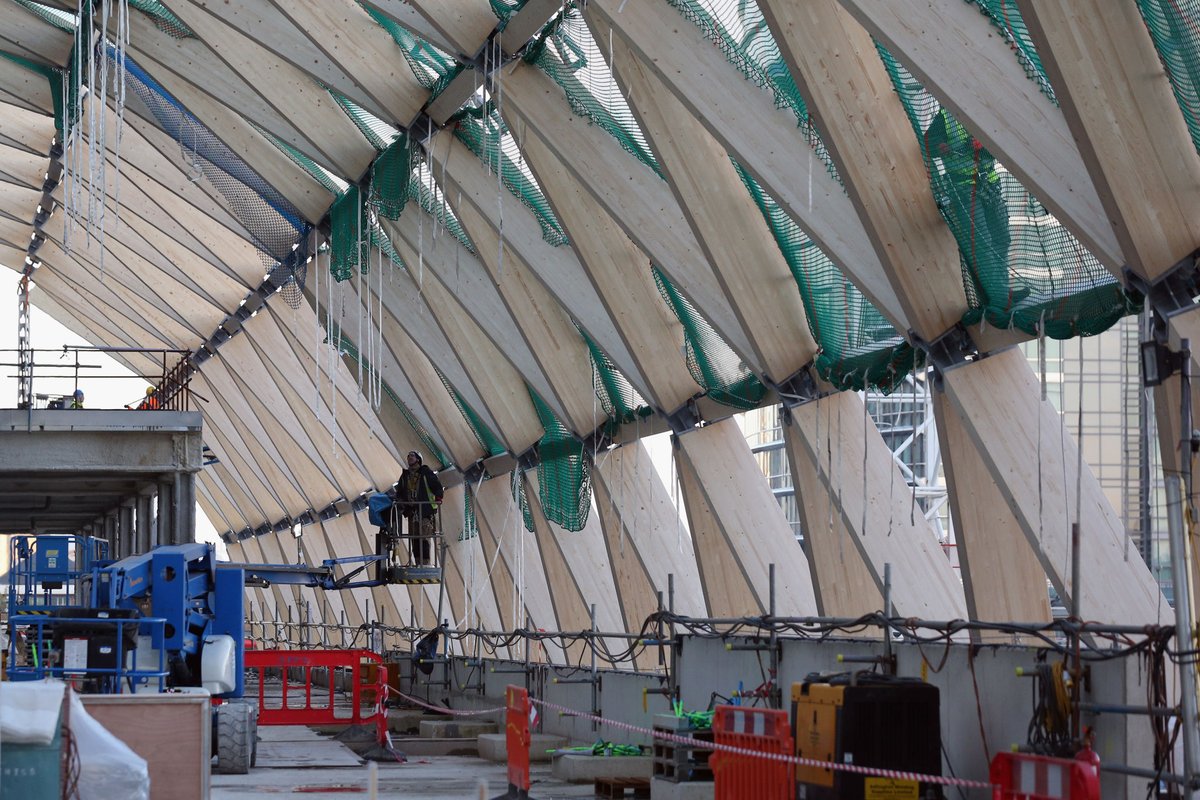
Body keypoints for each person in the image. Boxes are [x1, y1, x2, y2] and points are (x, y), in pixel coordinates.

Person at [924, 107, 1014, 309]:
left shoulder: (984, 114)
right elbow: (928, 143)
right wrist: (944, 146)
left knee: (1001, 237)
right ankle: (997, 295)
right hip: (964, 189)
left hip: (989, 185)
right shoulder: (946, 118)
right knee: (983, 241)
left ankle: (1002, 290)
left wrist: (983, 145)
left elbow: (1001, 145)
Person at [396, 451, 443, 566]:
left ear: (418, 459)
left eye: (412, 456)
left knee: (424, 538)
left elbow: (436, 485)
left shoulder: (426, 472)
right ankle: (418, 563)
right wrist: (401, 503)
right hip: (412, 512)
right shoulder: (405, 476)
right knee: (415, 538)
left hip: (425, 510)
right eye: (408, 456)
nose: (409, 457)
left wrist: (439, 497)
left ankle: (425, 563)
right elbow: (400, 491)